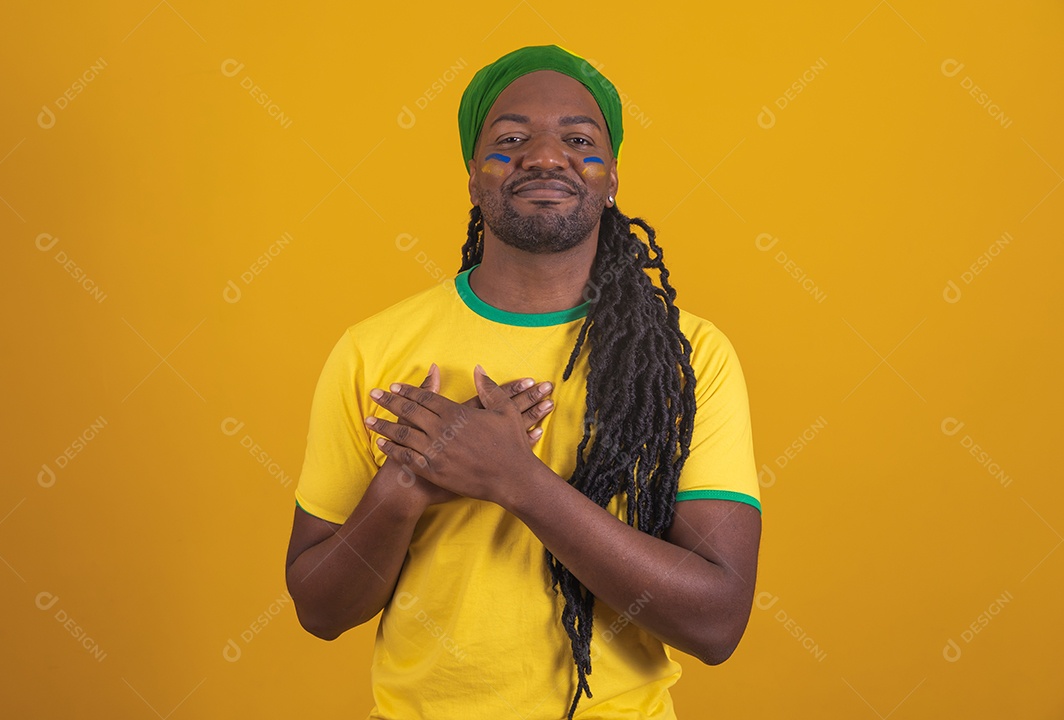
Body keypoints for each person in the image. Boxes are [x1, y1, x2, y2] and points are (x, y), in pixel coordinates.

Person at [285, 44, 762, 720]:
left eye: (578, 139)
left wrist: (516, 479)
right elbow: (321, 608)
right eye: (511, 139)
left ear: (611, 176)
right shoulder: (372, 349)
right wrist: (406, 486)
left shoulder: (690, 356)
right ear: (475, 179)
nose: (544, 156)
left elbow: (716, 622)